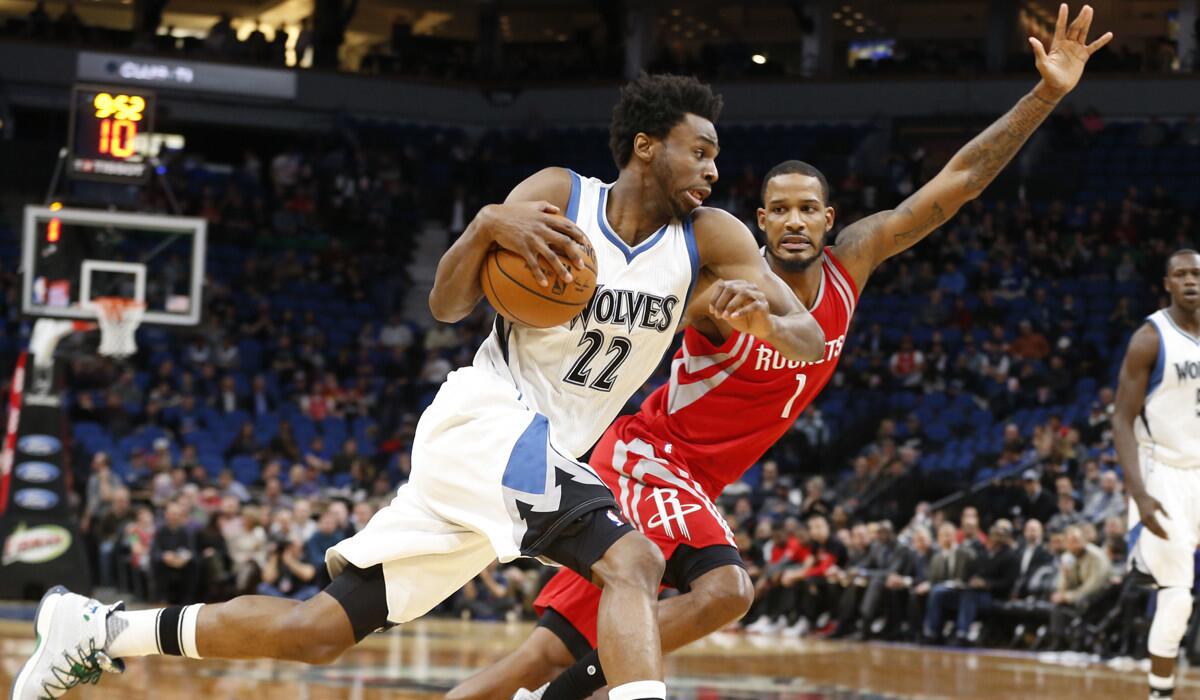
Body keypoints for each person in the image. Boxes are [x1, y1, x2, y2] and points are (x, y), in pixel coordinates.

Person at [12, 73, 827, 700]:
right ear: (648, 145)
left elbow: (807, 333)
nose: (715, 170)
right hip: (488, 421)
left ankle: (101, 627)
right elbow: (446, 305)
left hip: (532, 458)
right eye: (702, 149)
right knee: (633, 561)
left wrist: (763, 318)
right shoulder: (559, 196)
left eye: (717, 156)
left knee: (318, 629)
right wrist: (482, 229)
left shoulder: (710, 239)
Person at [451, 7, 1112, 699]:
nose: (794, 219)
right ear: (758, 220)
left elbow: (961, 182)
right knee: (727, 590)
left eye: (808, 208)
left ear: (830, 219)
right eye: (779, 209)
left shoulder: (852, 264)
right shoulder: (715, 281)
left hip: (696, 482)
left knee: (543, 652)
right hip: (650, 457)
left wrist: (1047, 93)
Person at [1112, 248, 1200, 700]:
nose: (1190, 281)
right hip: (1162, 471)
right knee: (1178, 592)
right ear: (1167, 282)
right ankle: (1160, 692)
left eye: (1196, 274)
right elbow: (1121, 419)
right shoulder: (1151, 337)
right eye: (1181, 274)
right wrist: (1139, 494)